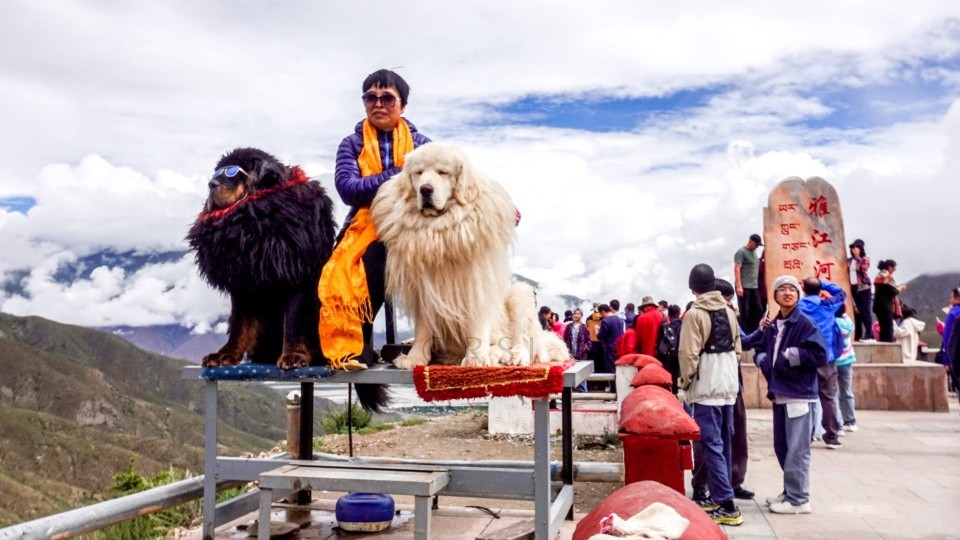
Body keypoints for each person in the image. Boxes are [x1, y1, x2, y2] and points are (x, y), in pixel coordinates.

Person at [320, 69, 432, 367]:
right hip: (364, 228)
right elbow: (348, 190)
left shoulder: (424, 145)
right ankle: (358, 344)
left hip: (415, 226)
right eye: (371, 97)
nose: (378, 104)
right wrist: (400, 175)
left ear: (403, 106)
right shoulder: (351, 144)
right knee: (356, 267)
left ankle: (432, 341)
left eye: (387, 98)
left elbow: (443, 185)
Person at [753, 275, 828, 515]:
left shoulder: (804, 323)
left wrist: (790, 356)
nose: (787, 293)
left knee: (797, 449)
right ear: (775, 296)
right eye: (781, 289)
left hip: (798, 394)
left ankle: (799, 499)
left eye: (792, 289)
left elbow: (819, 354)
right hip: (780, 393)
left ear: (798, 294)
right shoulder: (774, 324)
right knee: (782, 447)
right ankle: (789, 491)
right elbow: (761, 348)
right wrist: (763, 360)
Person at [678, 264, 744, 526]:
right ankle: (721, 496)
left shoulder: (694, 314)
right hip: (728, 387)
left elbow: (688, 354)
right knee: (725, 444)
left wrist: (685, 383)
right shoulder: (728, 311)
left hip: (707, 389)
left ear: (692, 287)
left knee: (711, 445)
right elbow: (738, 349)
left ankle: (727, 504)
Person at [690, 278, 755, 504]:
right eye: (725, 297)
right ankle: (704, 487)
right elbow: (689, 354)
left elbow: (742, 344)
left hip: (730, 387)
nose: (727, 302)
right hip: (710, 389)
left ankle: (731, 484)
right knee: (710, 441)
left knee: (731, 439)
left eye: (728, 298)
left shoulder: (729, 316)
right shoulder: (698, 315)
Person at [797, 277, 846, 450]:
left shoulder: (798, 307)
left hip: (804, 358)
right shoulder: (827, 305)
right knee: (829, 398)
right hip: (826, 358)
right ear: (819, 291)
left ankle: (806, 435)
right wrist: (823, 283)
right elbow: (842, 293)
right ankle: (832, 436)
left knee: (803, 399)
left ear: (803, 289)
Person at [834, 305, 858, 431]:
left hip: (833, 362)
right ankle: (850, 421)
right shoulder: (848, 324)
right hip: (847, 361)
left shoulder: (831, 323)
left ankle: (837, 422)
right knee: (847, 392)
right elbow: (845, 315)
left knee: (832, 394)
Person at [734, 233, 764, 333]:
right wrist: (739, 286)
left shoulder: (754, 253)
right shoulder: (741, 252)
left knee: (758, 311)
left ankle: (756, 333)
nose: (756, 247)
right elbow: (737, 268)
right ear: (750, 241)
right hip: (744, 286)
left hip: (754, 287)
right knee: (745, 313)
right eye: (756, 245)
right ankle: (744, 336)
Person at [873, 259, 906, 343]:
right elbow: (893, 291)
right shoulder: (887, 277)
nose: (894, 270)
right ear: (889, 267)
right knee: (888, 329)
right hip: (886, 306)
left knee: (882, 328)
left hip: (877, 306)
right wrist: (901, 288)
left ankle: (882, 345)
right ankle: (888, 347)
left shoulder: (878, 276)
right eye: (893, 267)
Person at [847, 239, 873, 341]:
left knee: (865, 311)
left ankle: (869, 334)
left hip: (864, 288)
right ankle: (861, 334)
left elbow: (864, 268)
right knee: (858, 312)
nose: (854, 249)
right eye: (853, 247)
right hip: (854, 288)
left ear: (861, 249)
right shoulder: (849, 261)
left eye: (856, 247)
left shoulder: (865, 259)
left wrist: (858, 257)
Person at [656, 304, 684, 394]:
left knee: (666, 373)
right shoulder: (681, 324)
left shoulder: (664, 324)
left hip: (665, 353)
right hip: (677, 353)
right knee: (675, 374)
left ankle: (667, 391)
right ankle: (674, 392)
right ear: (678, 313)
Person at [597, 304, 625, 390]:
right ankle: (619, 390)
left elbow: (600, 337)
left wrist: (597, 330)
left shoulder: (606, 321)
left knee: (610, 370)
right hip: (619, 347)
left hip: (609, 348)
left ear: (603, 311)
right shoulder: (620, 320)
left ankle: (613, 391)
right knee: (618, 370)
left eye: (600, 313)